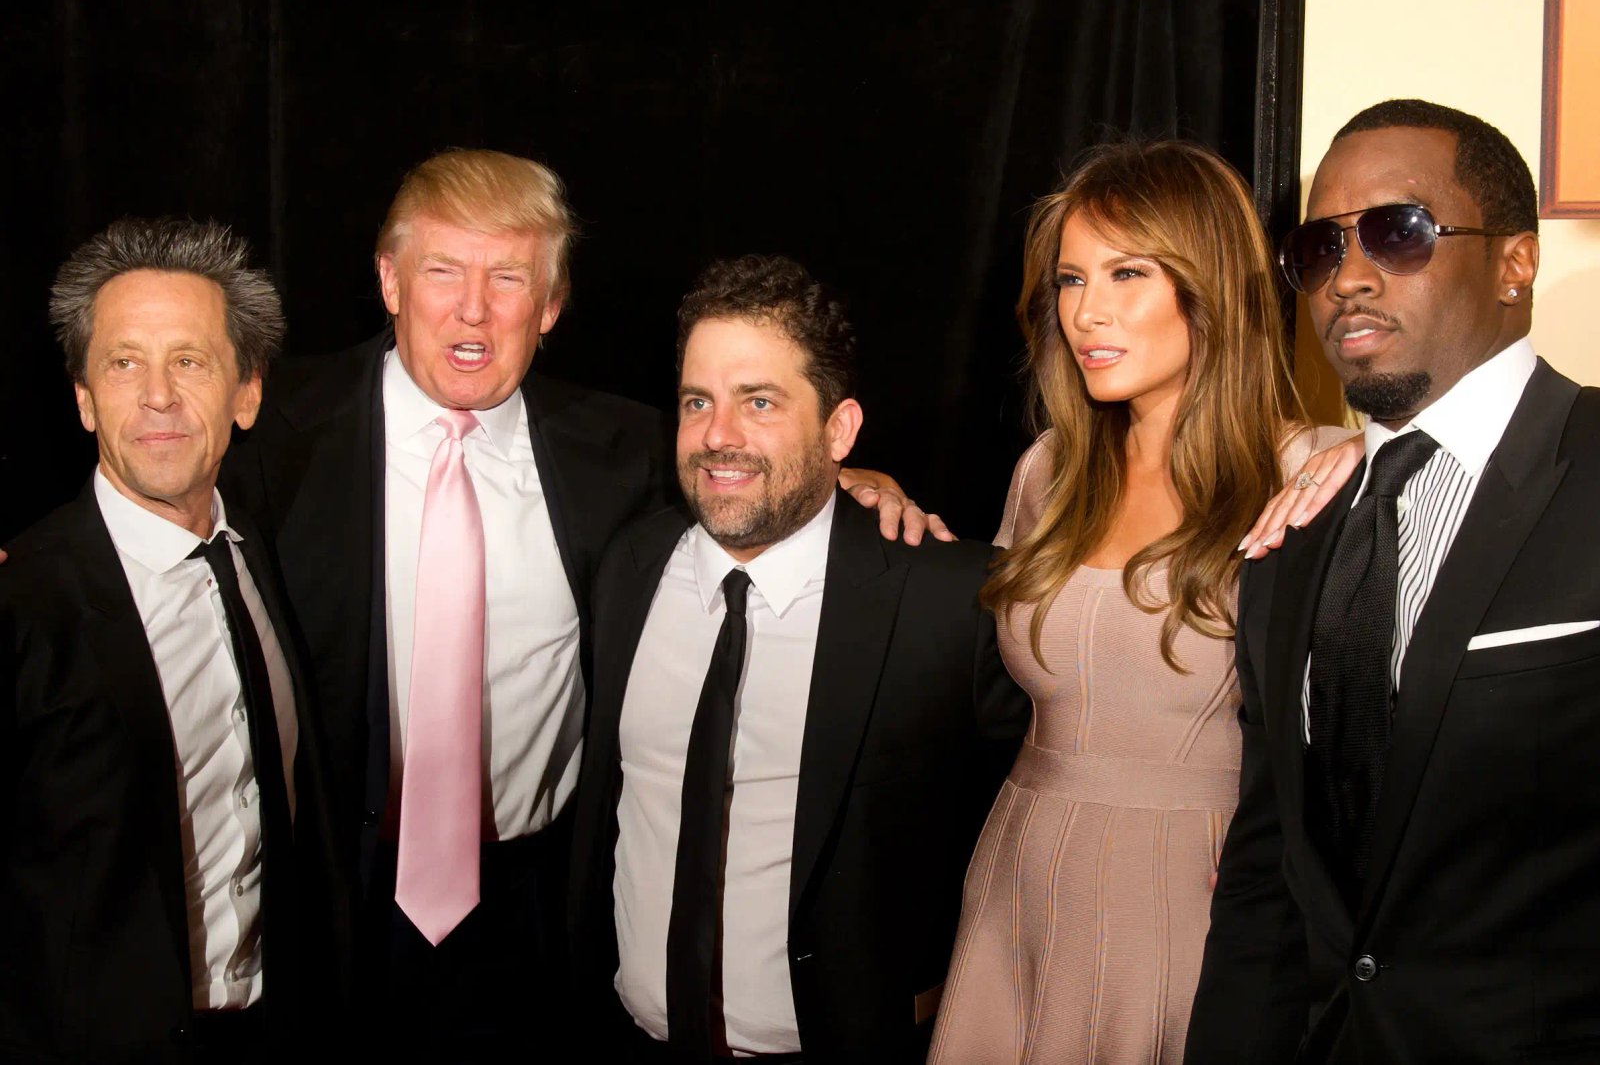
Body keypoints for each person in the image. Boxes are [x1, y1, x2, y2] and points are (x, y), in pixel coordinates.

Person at [222, 149, 938, 1057]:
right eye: (443, 269)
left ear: (551, 305)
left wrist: (848, 484)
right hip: (331, 905)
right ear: (389, 279)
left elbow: (754, 483)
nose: (473, 307)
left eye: (509, 276)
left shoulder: (629, 453)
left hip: (537, 911)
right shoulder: (270, 428)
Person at [1185, 98, 1600, 1064]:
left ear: (1515, 261)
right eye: (1319, 250)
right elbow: (1268, 875)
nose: (1350, 277)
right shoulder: (1290, 535)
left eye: (1398, 232)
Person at [926, 141, 1350, 1065]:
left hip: (1195, 892)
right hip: (1021, 873)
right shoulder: (1047, 473)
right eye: (1072, 279)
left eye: (1127, 272)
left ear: (1212, 286)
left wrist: (1383, 451)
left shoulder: (1310, 473)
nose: (1088, 310)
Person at [567, 254, 1031, 1063]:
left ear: (840, 429)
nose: (719, 435)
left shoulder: (945, 603)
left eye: (760, 401)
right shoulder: (629, 567)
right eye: (698, 401)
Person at [0, 218, 341, 1062]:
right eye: (123, 362)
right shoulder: (23, 598)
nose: (157, 394)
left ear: (246, 392)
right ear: (84, 399)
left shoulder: (258, 553)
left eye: (188, 360)